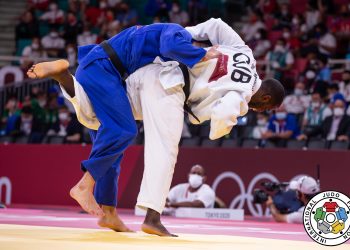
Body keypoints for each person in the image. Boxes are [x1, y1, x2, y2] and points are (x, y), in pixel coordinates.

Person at [27, 18, 285, 236]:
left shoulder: (245, 52)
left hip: (149, 73)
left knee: (106, 119)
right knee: (164, 149)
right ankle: (152, 217)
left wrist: (191, 35)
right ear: (265, 98)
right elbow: (224, 113)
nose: (259, 111)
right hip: (171, 90)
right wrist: (221, 129)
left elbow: (215, 24)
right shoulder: (242, 94)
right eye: (265, 108)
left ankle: (108, 211)